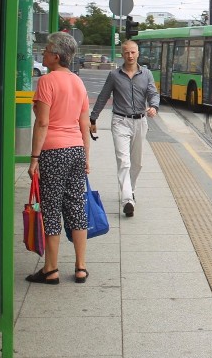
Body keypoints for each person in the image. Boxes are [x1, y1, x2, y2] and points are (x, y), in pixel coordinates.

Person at [27, 32, 91, 285]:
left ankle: (51, 269)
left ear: (56, 55)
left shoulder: (47, 81)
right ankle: (81, 267)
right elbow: (84, 124)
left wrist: (34, 158)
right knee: (76, 206)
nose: (42, 54)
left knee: (51, 208)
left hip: (53, 151)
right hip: (76, 149)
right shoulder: (78, 81)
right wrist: (86, 157)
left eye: (45, 50)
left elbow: (42, 123)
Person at [90, 39, 159, 218]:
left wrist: (154, 106)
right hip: (120, 121)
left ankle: (131, 189)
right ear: (122, 54)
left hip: (140, 122)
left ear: (138, 53)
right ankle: (127, 199)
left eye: (133, 52)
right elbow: (104, 96)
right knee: (124, 161)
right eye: (126, 52)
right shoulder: (114, 75)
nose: (130, 55)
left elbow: (153, 93)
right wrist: (93, 118)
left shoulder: (147, 74)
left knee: (137, 163)